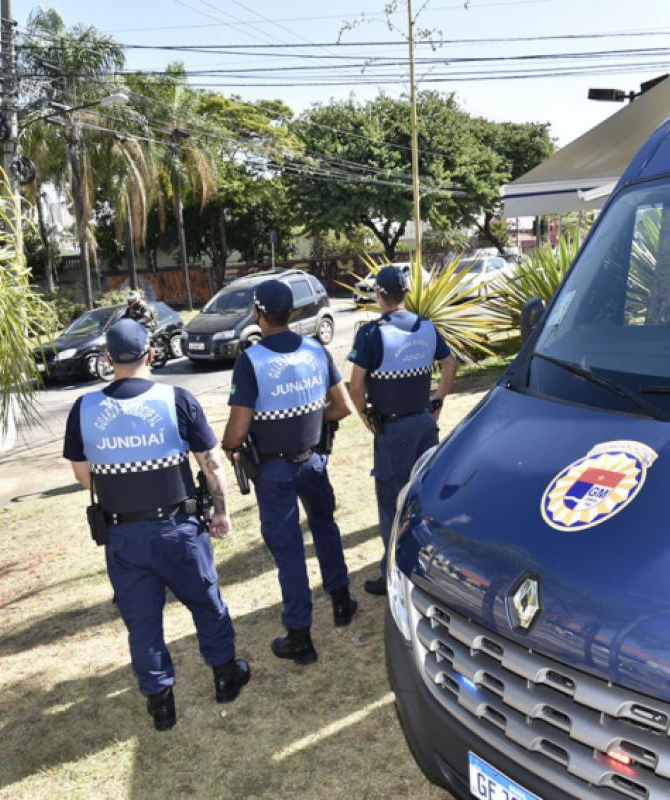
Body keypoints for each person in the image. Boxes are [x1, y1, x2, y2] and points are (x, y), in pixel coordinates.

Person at [63, 319, 250, 732]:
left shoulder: (84, 409)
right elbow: (211, 464)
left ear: (108, 358)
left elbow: (83, 475)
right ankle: (225, 676)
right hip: (178, 529)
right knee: (207, 603)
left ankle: (161, 705)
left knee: (142, 623)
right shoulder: (177, 400)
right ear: (150, 354)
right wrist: (221, 511)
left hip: (123, 535)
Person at [222, 279, 356, 666]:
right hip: (313, 460)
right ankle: (342, 601)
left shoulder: (251, 360)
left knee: (290, 551)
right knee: (325, 527)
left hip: (273, 469)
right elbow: (342, 407)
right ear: (292, 311)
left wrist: (228, 446)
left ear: (258, 313)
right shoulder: (316, 349)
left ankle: (300, 636)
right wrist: (310, 421)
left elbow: (238, 429)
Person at [349, 265, 456, 596]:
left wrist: (365, 416)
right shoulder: (427, 326)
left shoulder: (371, 334)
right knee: (423, 496)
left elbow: (356, 386)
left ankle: (393, 573)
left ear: (378, 294)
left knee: (393, 505)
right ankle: (428, 566)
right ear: (406, 294)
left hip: (393, 429)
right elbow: (450, 363)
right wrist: (437, 400)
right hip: (424, 422)